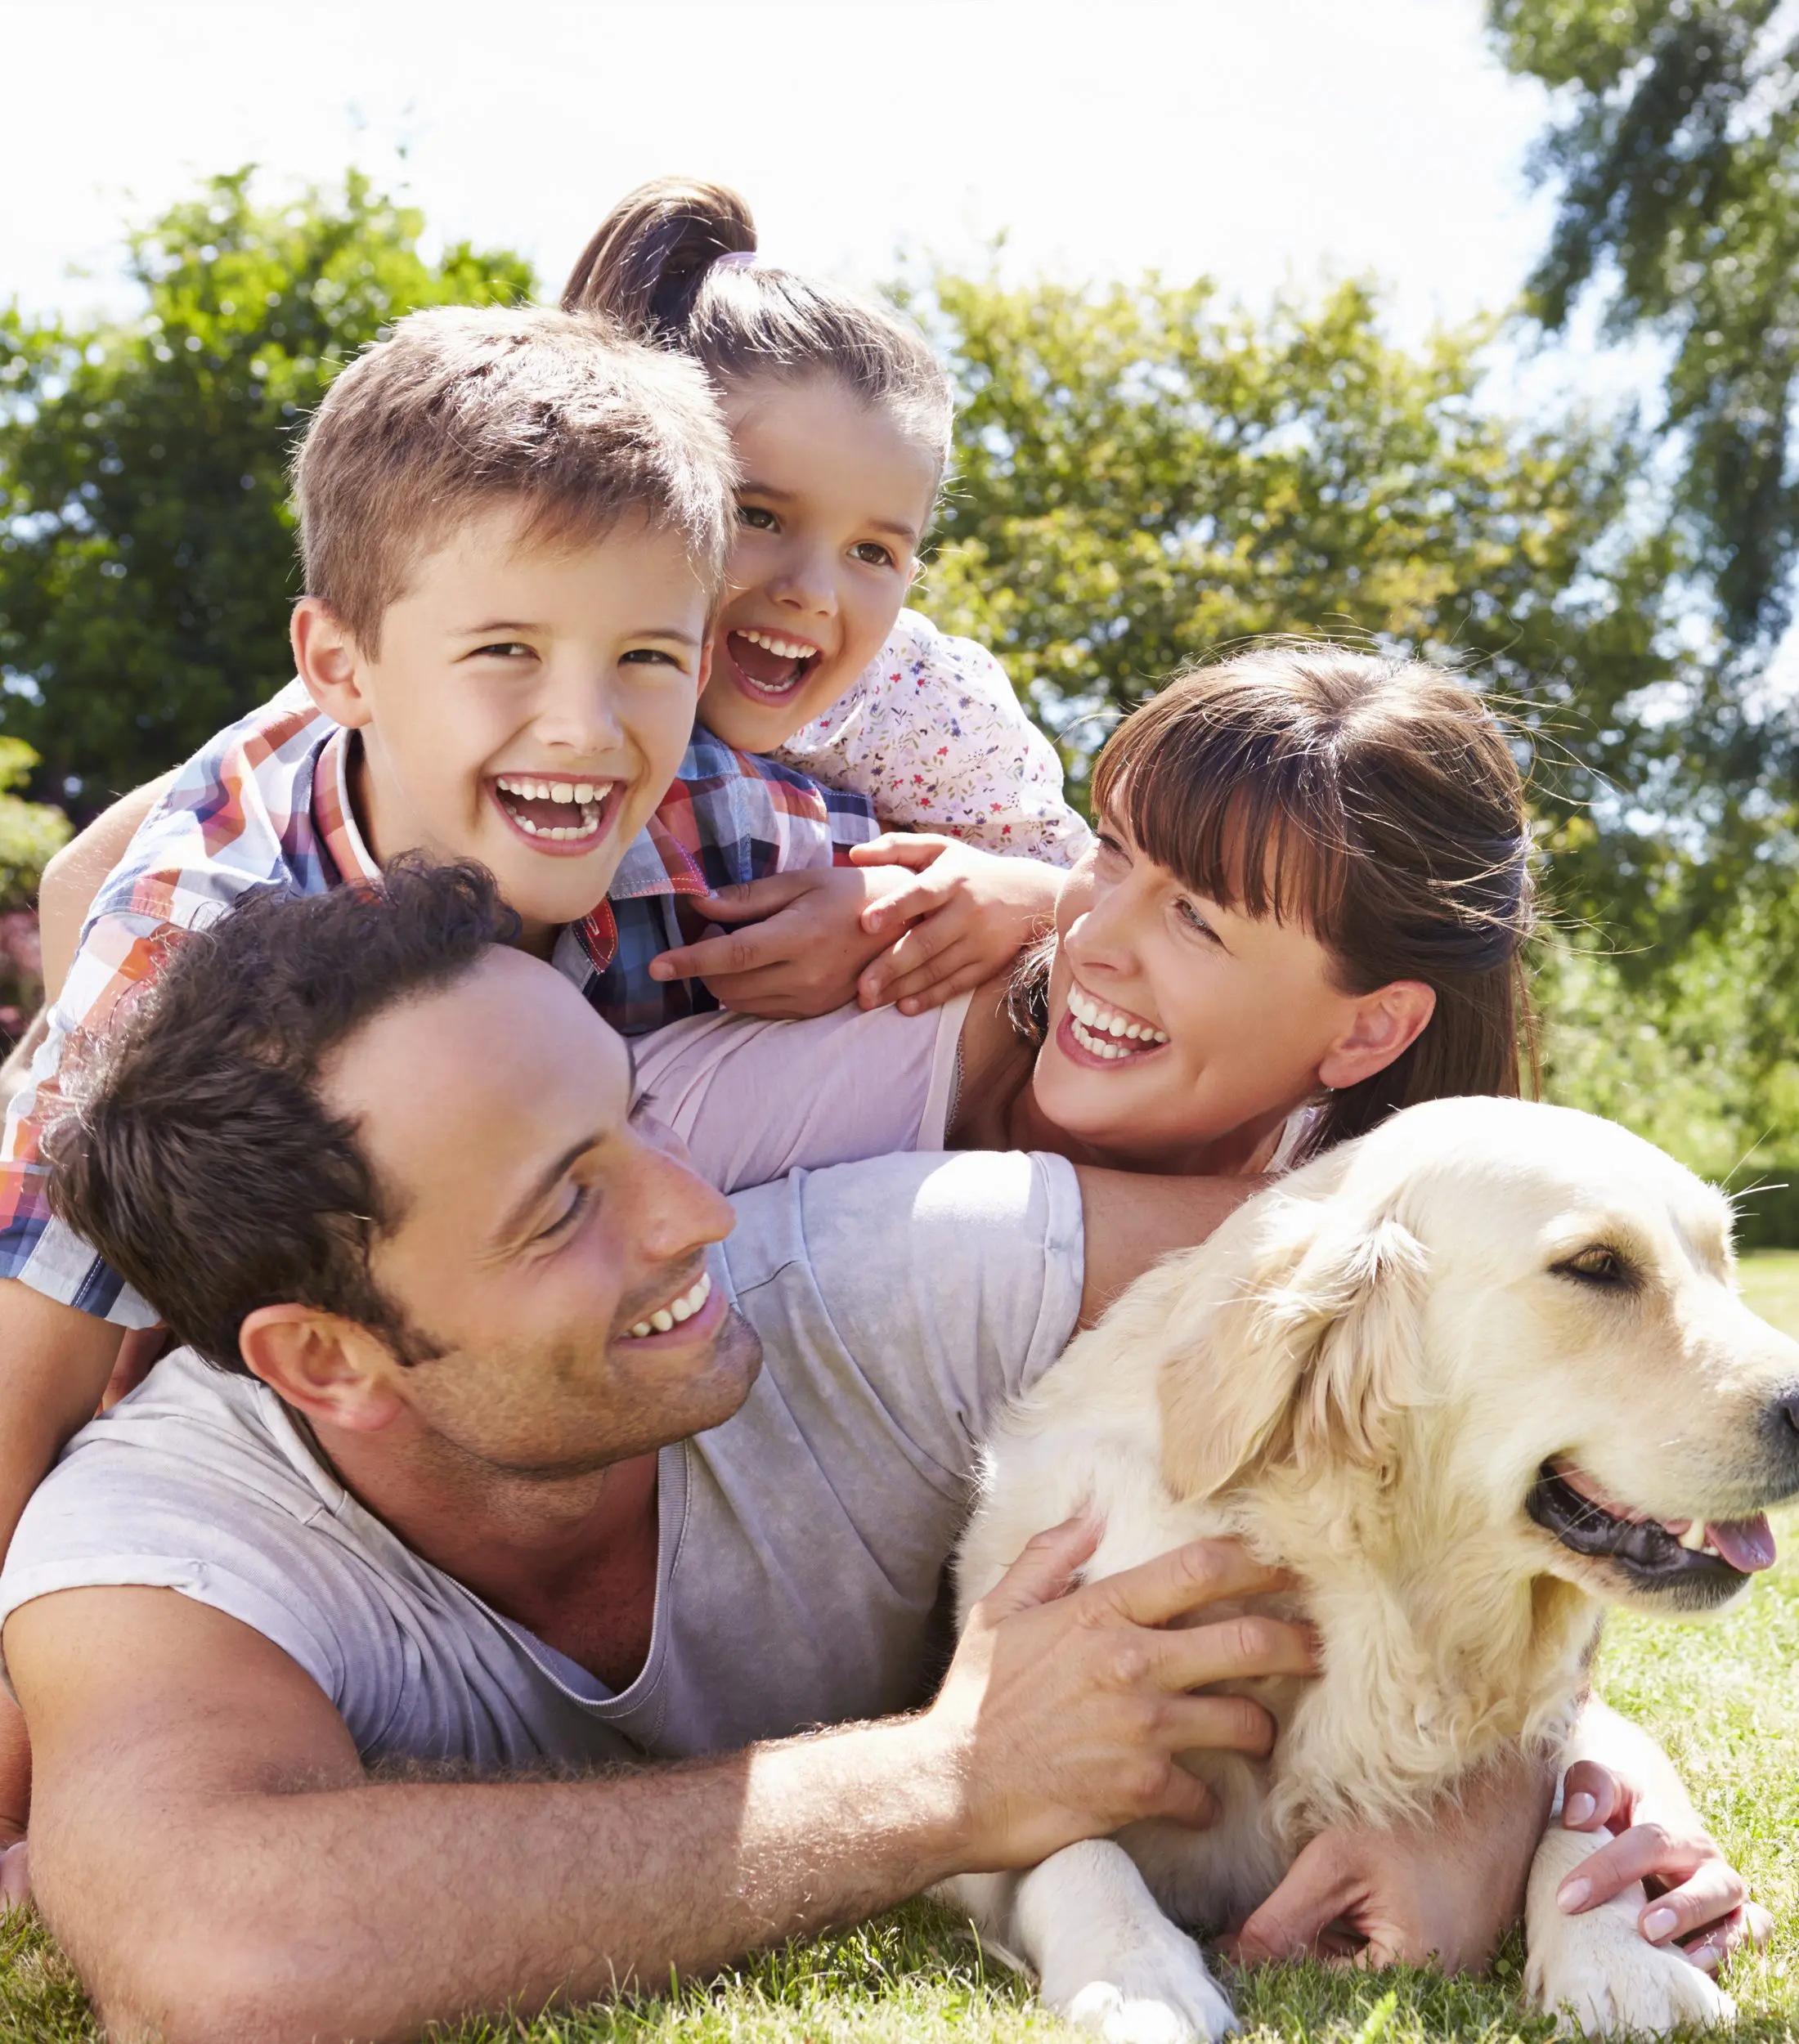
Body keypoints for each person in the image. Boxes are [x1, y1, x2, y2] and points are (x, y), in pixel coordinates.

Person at [1, 861, 1570, 2042]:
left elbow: (1476, 1336)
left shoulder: (898, 1275)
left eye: (637, 1121)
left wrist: (1490, 1785)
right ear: (326, 1361)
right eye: (566, 1205)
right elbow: (220, 1951)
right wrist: (949, 1780)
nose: (696, 1214)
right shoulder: (163, 1537)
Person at [0, 301, 900, 1846]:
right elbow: (27, 1378)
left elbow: (1080, 965)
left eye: (645, 658)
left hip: (576, 1317)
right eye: (506, 653)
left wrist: (990, 910)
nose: (587, 726)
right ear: (337, 669)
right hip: (276, 1396)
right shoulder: (192, 943)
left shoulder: (719, 818)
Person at [628, 645, 1535, 1191]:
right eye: (1111, 850)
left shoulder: (1389, 1280)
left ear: (1370, 1029)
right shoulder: (851, 1051)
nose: (1089, 939)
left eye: (1197, 918)